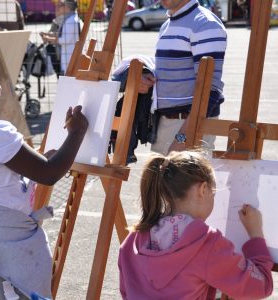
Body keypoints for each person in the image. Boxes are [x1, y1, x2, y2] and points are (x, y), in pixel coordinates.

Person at [0, 41, 88, 299]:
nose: (1, 87)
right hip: (9, 246)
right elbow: (49, 173)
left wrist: (40, 161)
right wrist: (77, 132)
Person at [118, 150, 274, 299]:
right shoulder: (205, 243)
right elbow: (260, 286)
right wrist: (256, 235)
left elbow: (126, 292)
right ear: (203, 189)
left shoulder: (133, 239)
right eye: (213, 192)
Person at [139, 0, 227, 155]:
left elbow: (210, 91)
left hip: (189, 126)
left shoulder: (205, 24)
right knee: (159, 179)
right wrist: (149, 77)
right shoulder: (167, 25)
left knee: (187, 179)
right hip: (166, 123)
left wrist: (182, 139)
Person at [40, 0, 80, 75]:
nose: (59, 8)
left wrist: (48, 39)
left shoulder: (70, 21)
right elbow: (62, 34)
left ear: (66, 7)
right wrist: (47, 34)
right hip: (69, 54)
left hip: (70, 56)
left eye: (61, 5)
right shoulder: (70, 18)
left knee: (68, 78)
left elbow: (65, 40)